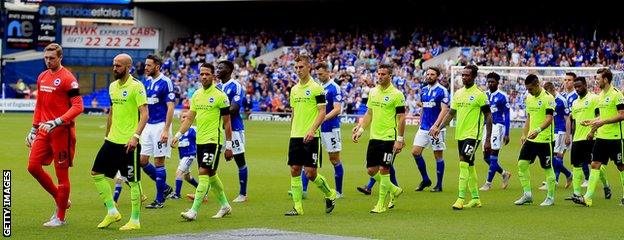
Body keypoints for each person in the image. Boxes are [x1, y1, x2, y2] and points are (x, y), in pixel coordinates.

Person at [26, 43, 84, 227]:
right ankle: (61, 199)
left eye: (52, 58)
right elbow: (39, 105)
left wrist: (57, 121)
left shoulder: (68, 79)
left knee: (62, 176)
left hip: (61, 133)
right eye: (46, 58)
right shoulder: (42, 77)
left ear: (60, 58)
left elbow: (78, 106)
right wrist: (33, 129)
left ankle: (60, 217)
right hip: (43, 130)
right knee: (33, 167)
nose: (48, 61)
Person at [92, 53, 148, 231]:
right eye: (114, 65)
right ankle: (112, 211)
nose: (114, 68)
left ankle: (135, 220)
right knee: (96, 173)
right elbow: (112, 111)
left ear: (128, 67)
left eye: (118, 65)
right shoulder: (112, 86)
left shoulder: (136, 87)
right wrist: (107, 134)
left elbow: (145, 114)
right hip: (112, 140)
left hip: (128, 142)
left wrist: (135, 137)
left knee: (133, 181)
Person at [175, 63, 234, 220]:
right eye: (202, 74)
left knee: (203, 173)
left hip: (213, 141)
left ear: (213, 76)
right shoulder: (196, 95)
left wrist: (229, 145)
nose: (204, 76)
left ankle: (193, 211)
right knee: (212, 174)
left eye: (207, 74)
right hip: (200, 141)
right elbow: (190, 117)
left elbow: (227, 122)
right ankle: (225, 206)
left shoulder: (221, 96)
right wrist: (178, 134)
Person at [430, 65, 492, 210]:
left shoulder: (480, 94)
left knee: (463, 162)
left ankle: (460, 198)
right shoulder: (458, 93)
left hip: (473, 135)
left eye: (467, 75)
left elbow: (488, 116)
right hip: (460, 134)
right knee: (469, 165)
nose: (464, 77)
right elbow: (451, 113)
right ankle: (476, 198)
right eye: (463, 75)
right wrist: (439, 127)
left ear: (474, 77)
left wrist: (487, 139)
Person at [284, 55, 337, 216]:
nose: (298, 70)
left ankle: (330, 194)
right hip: (296, 135)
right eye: (296, 67)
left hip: (312, 136)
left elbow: (322, 112)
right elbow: (293, 112)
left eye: (301, 67)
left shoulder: (317, 88)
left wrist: (312, 130)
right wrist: (292, 131)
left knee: (310, 173)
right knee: (294, 169)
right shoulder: (293, 90)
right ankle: (298, 207)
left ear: (309, 68)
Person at [352, 64, 405, 213]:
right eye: (379, 74)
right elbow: (369, 113)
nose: (380, 76)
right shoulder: (373, 92)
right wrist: (361, 128)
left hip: (389, 137)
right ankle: (393, 189)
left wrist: (399, 139)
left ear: (390, 76)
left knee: (384, 169)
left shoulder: (397, 94)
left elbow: (401, 118)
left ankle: (381, 204)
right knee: (371, 170)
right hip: (374, 137)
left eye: (383, 74)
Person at [573, 68, 624, 207]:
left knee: (621, 166)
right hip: (601, 137)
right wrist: (592, 122)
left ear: (606, 79)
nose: (596, 80)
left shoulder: (617, 95)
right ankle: (588, 198)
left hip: (616, 137)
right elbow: (603, 117)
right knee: (595, 164)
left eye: (598, 78)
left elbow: (621, 115)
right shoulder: (600, 95)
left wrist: (601, 122)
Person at [296, 63, 346, 198]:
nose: (319, 76)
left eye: (322, 74)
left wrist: (323, 118)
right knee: (307, 159)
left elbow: (337, 109)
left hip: (330, 128)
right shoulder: (317, 87)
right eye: (318, 74)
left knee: (334, 159)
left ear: (328, 72)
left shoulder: (334, 87)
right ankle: (303, 190)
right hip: (316, 129)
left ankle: (339, 192)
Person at [512, 74, 557, 206]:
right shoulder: (529, 98)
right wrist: (524, 133)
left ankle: (550, 197)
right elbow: (529, 117)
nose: (528, 91)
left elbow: (549, 118)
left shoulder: (548, 98)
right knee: (521, 164)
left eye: (530, 89)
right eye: (527, 89)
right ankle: (527, 194)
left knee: (547, 168)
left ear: (537, 85)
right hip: (531, 140)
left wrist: (537, 130)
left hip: (545, 140)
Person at [565, 77, 611, 201]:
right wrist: (571, 136)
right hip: (577, 139)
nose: (577, 89)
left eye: (579, 86)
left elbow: (599, 117)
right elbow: (573, 120)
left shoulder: (594, 99)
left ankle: (606, 185)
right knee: (576, 166)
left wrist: (592, 131)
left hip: (591, 138)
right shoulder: (575, 103)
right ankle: (576, 194)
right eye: (576, 87)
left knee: (595, 165)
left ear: (585, 85)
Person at [140, 54, 176, 209]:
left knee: (159, 161)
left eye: (149, 65)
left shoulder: (166, 82)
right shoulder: (146, 82)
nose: (146, 67)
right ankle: (166, 188)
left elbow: (170, 107)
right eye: (146, 65)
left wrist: (166, 130)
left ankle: (159, 200)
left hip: (161, 125)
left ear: (157, 66)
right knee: (142, 160)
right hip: (148, 125)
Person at [411, 67, 449, 192]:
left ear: (437, 76)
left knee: (437, 155)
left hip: (436, 129)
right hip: (424, 127)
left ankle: (439, 185)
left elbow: (445, 109)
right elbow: (424, 107)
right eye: (427, 74)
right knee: (415, 152)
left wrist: (436, 125)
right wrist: (420, 120)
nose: (429, 76)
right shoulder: (423, 90)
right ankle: (426, 179)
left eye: (432, 74)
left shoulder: (442, 91)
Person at [217, 60, 250, 203]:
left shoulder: (235, 86)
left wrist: (216, 112)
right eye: (217, 67)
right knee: (210, 161)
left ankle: (243, 194)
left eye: (221, 68)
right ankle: (203, 193)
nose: (217, 70)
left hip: (234, 128)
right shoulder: (216, 87)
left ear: (229, 70)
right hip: (217, 129)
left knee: (239, 161)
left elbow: (234, 108)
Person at [479, 72, 512, 191]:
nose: (490, 84)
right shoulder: (484, 95)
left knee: (493, 156)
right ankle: (504, 173)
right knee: (486, 157)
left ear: (498, 83)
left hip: (498, 126)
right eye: (489, 82)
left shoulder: (502, 96)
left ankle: (488, 183)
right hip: (486, 128)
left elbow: (507, 115)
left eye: (492, 82)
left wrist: (507, 133)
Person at [541, 82, 572, 190]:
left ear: (553, 89)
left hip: (561, 131)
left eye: (547, 92)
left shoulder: (561, 100)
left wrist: (568, 135)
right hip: (553, 131)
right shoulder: (549, 100)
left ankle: (554, 180)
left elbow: (568, 118)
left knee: (553, 155)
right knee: (554, 156)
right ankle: (566, 175)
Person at [562, 72, 590, 187]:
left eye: (569, 80)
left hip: (579, 132)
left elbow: (572, 118)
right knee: (559, 155)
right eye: (565, 80)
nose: (566, 82)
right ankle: (559, 177)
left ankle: (589, 178)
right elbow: (567, 117)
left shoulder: (577, 96)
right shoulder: (565, 97)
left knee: (588, 159)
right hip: (566, 130)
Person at [171, 110, 200, 199]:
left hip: (190, 155)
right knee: (187, 177)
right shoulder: (180, 133)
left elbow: (200, 139)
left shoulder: (193, 129)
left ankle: (177, 194)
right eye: (183, 117)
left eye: (187, 117)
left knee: (179, 172)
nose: (185, 119)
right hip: (182, 157)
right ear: (180, 119)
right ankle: (201, 189)